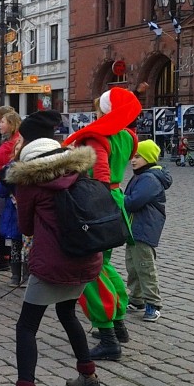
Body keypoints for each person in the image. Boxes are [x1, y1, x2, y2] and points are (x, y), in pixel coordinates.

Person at [0, 114, 103, 386]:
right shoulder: (77, 169)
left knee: (26, 326)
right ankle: (88, 376)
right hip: (86, 256)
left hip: (52, 261)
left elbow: (25, 227)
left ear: (29, 143)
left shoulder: (32, 182)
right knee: (67, 313)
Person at [63, 87, 140, 361]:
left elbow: (100, 175)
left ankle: (108, 334)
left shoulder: (98, 136)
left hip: (98, 202)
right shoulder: (128, 136)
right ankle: (118, 324)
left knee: (90, 270)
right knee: (104, 264)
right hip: (116, 200)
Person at [123, 140, 171, 323]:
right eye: (133, 157)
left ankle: (153, 304)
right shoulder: (142, 176)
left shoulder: (149, 179)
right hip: (135, 228)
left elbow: (133, 202)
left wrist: (120, 196)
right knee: (133, 265)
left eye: (137, 156)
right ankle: (137, 299)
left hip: (144, 228)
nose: (133, 161)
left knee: (145, 267)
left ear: (149, 158)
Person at [0, 108, 22, 272]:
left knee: (4, 221)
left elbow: (5, 169)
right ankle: (5, 255)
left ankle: (5, 256)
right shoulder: (9, 141)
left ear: (10, 124)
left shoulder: (13, 144)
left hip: (5, 189)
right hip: (1, 186)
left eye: (2, 121)